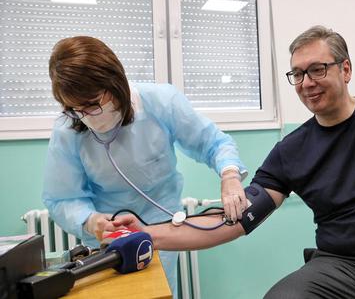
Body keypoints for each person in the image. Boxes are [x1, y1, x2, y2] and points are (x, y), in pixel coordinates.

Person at [110, 26, 355, 299]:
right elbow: (236, 221)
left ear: (345, 70)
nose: (307, 82)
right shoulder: (290, 151)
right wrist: (146, 233)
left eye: (318, 69)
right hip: (340, 267)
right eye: (297, 74)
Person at [42, 36, 248, 297]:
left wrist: (229, 174)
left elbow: (213, 143)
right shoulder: (67, 131)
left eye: (92, 104)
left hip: (161, 234)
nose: (86, 116)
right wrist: (90, 221)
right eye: (76, 109)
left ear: (114, 82)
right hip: (108, 244)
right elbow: (62, 198)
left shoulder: (161, 102)